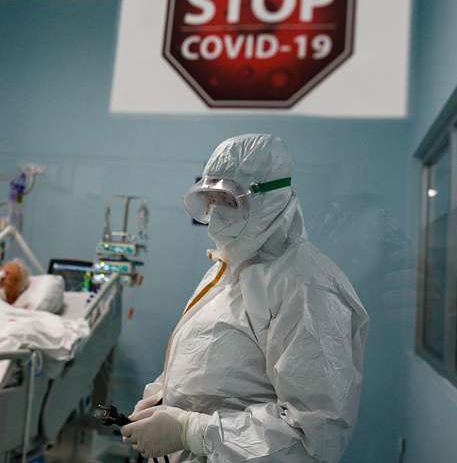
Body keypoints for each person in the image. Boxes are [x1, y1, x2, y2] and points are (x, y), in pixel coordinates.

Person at [121, 134, 369, 462]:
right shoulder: (228, 267)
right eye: (209, 201)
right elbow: (207, 362)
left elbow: (313, 438)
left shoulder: (308, 289)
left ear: (270, 199)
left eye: (228, 201)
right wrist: (163, 397)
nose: (215, 216)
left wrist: (190, 431)